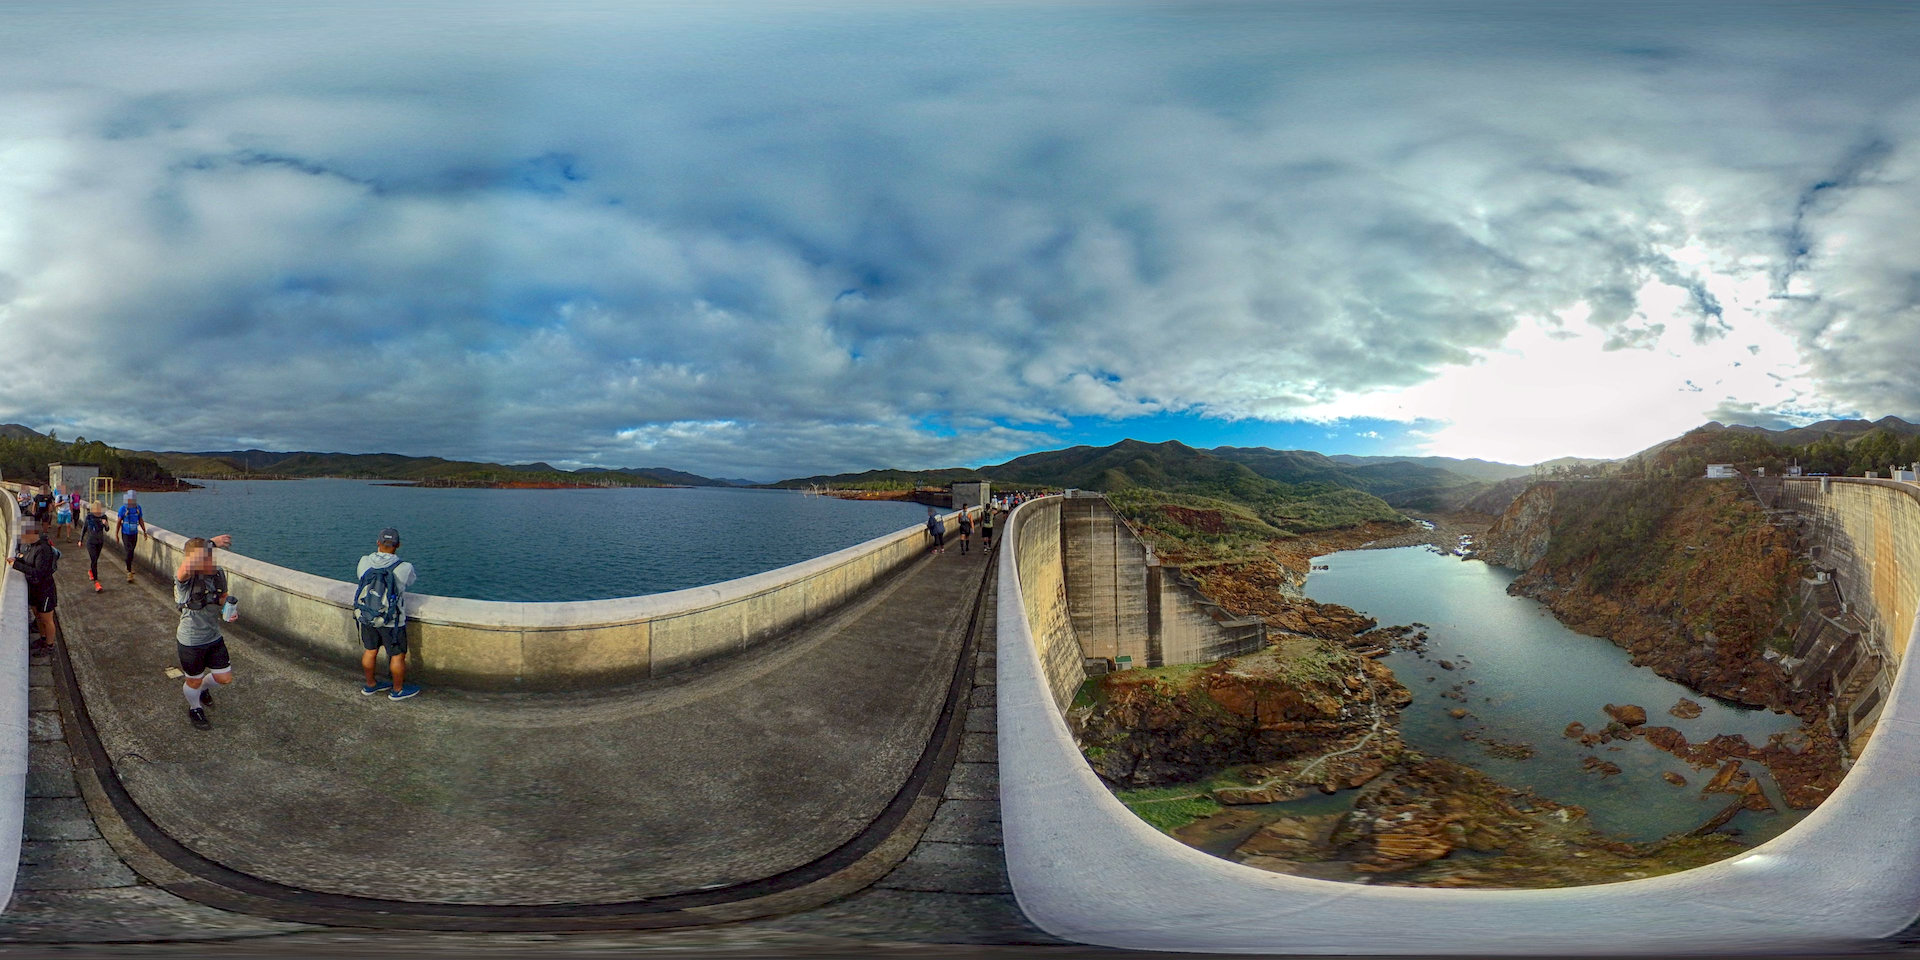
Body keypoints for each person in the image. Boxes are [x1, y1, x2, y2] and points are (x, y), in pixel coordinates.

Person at [174, 537, 235, 730]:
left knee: (224, 678)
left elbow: (223, 596)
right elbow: (185, 568)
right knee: (193, 680)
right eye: (205, 557)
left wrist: (229, 608)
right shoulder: (186, 580)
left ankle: (203, 689)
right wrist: (210, 542)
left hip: (214, 636)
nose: (211, 561)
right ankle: (195, 707)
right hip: (191, 640)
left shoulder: (218, 574)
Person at [354, 527, 419, 700]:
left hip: (368, 616)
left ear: (378, 543)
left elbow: (361, 579)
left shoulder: (364, 561)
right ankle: (397, 690)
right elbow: (410, 581)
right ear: (398, 545)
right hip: (392, 621)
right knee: (397, 655)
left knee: (370, 651)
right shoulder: (404, 567)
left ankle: (370, 685)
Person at [8, 520, 62, 651]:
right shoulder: (31, 546)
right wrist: (18, 560)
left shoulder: (43, 549)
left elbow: (39, 572)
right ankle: (43, 639)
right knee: (38, 616)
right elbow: (29, 560)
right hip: (35, 588)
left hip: (45, 590)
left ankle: (49, 646)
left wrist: (16, 565)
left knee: (46, 618)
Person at [116, 490, 146, 582]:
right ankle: (129, 572)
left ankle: (128, 566)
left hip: (134, 533)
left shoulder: (138, 508)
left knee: (131, 551)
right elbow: (118, 521)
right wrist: (116, 534)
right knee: (129, 551)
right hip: (126, 533)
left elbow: (140, 520)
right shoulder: (123, 509)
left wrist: (144, 531)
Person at [81, 501, 111, 591]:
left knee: (95, 559)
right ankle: (96, 582)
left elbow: (107, 529)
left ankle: (91, 571)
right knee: (94, 560)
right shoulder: (89, 517)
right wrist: (80, 540)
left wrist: (106, 524)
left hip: (100, 542)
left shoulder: (103, 517)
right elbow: (84, 528)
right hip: (90, 542)